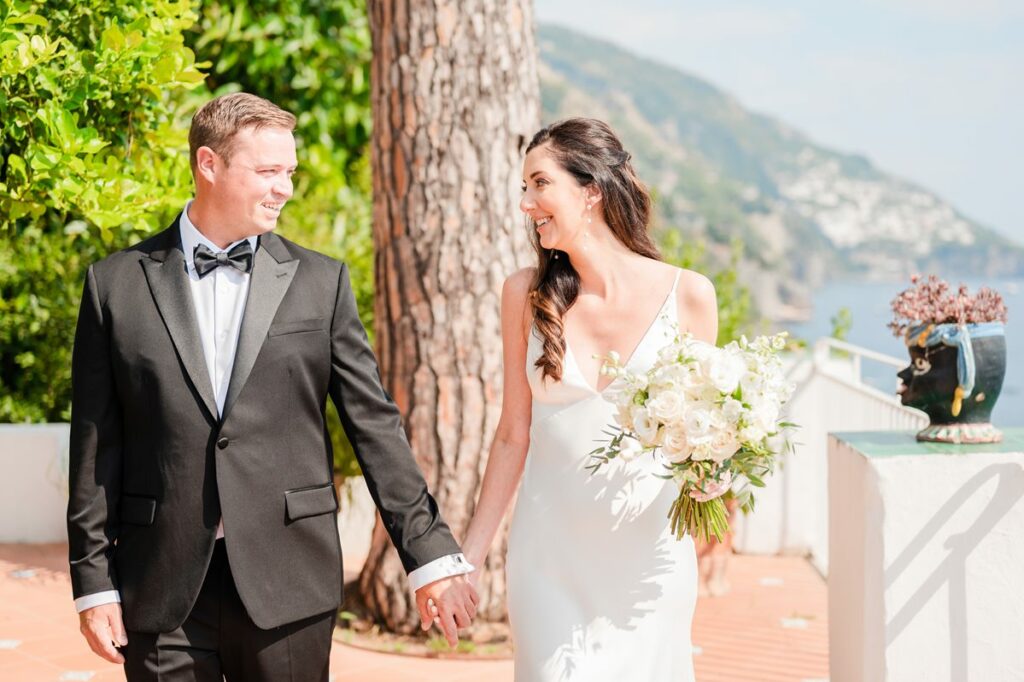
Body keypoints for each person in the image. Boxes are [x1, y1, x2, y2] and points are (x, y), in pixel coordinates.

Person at [67, 92, 477, 681]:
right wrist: (93, 584)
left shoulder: (322, 282)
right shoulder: (114, 286)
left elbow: (375, 426)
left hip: (290, 582)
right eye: (267, 171)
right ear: (209, 164)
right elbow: (96, 445)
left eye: (289, 171)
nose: (284, 187)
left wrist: (430, 555)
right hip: (159, 584)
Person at [460, 118, 718, 681]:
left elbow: (707, 436)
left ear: (591, 190)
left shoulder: (689, 296)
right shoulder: (524, 295)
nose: (527, 203)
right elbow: (512, 433)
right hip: (549, 561)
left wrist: (717, 476)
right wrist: (471, 557)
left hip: (650, 563)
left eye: (539, 183)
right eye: (524, 188)